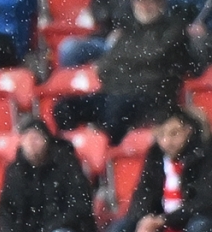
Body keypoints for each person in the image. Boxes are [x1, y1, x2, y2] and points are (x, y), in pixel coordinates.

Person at [53, 0, 193, 144]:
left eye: (149, 2)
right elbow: (106, 65)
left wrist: (125, 64)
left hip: (150, 99)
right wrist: (129, 64)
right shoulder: (129, 29)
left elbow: (152, 57)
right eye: (139, 2)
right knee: (64, 107)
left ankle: (112, 150)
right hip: (114, 92)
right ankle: (70, 149)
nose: (143, 6)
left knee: (116, 109)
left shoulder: (174, 29)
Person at [103, 107, 212, 232]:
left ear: (188, 131)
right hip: (161, 222)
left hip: (193, 220)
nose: (167, 141)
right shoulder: (155, 157)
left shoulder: (204, 155)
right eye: (161, 135)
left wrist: (164, 220)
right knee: (120, 230)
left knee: (199, 227)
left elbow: (204, 202)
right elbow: (143, 194)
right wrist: (144, 220)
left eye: (174, 134)